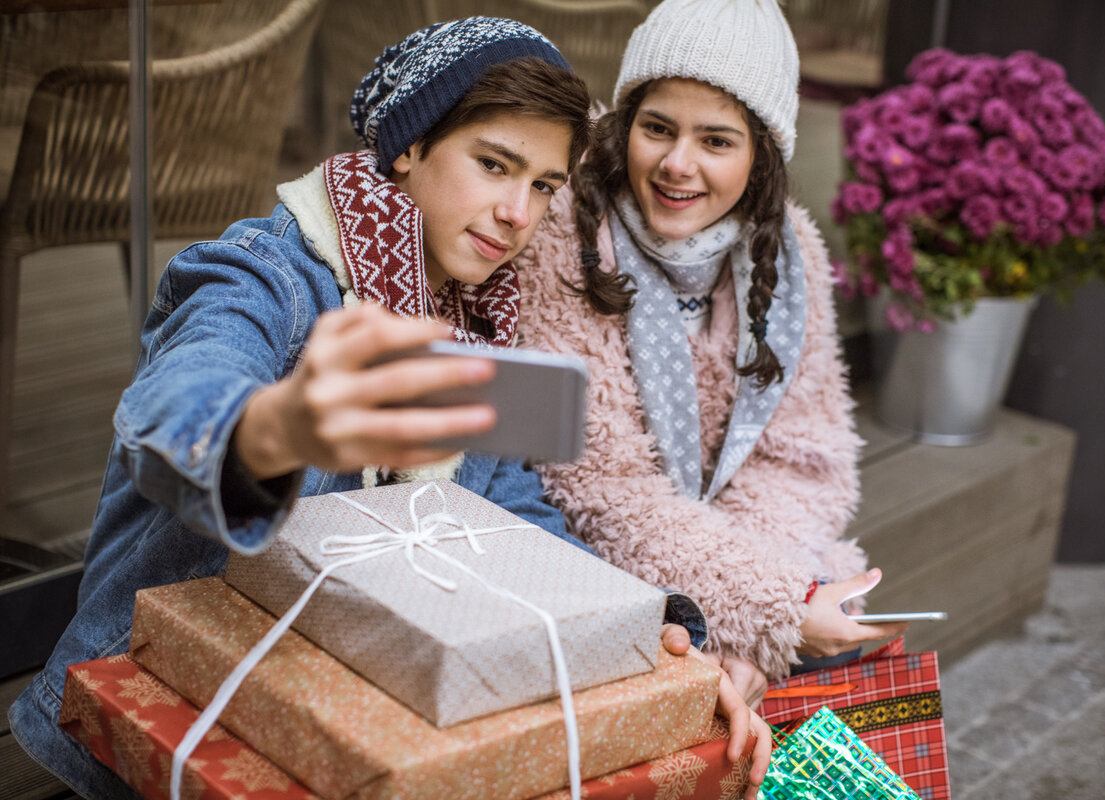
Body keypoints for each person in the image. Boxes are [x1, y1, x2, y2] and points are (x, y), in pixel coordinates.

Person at [9, 18, 760, 798]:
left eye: (541, 185)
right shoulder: (264, 273)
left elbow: (513, 513)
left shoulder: (474, 319)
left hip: (343, 720)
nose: (517, 212)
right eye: (494, 164)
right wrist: (277, 429)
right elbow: (176, 405)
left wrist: (650, 635)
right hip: (166, 728)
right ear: (409, 147)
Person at [514, 0, 910, 710]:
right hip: (581, 570)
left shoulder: (787, 257)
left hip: (730, 572)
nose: (677, 164)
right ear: (624, 126)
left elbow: (802, 460)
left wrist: (745, 630)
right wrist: (774, 610)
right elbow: (598, 493)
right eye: (657, 128)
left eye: (717, 141)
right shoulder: (567, 234)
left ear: (761, 155)